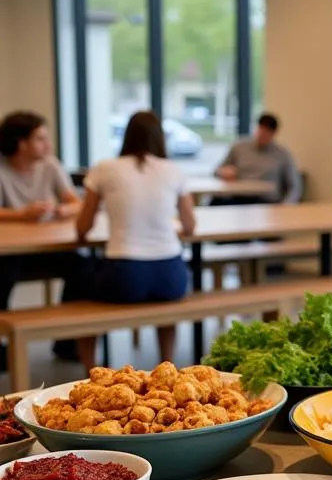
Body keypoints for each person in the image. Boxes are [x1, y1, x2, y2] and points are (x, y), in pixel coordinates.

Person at [76, 111, 196, 369]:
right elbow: (190, 225)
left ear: (127, 137)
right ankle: (168, 363)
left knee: (79, 293)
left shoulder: (104, 168)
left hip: (125, 275)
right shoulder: (173, 170)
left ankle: (89, 370)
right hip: (171, 277)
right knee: (164, 300)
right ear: (160, 138)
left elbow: (82, 227)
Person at [0, 110, 84, 367]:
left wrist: (59, 210)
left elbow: (75, 202)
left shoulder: (50, 164)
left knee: (82, 267)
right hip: (10, 251)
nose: (48, 145)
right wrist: (23, 214)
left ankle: (67, 342)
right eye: (40, 139)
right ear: (21, 143)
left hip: (48, 247)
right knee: (3, 273)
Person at [215, 113, 301, 204]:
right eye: (261, 131)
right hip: (239, 198)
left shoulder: (282, 155)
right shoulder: (239, 148)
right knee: (216, 202)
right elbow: (216, 171)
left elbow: (294, 186)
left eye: (268, 132)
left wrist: (286, 205)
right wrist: (223, 172)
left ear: (274, 133)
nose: (263, 135)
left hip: (267, 201)